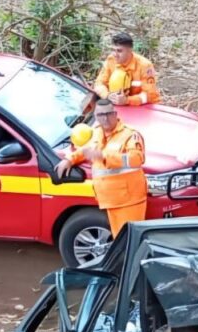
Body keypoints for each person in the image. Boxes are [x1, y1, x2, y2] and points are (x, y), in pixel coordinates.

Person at [56, 100, 147, 236]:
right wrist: (70, 159)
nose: (105, 118)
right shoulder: (97, 132)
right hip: (109, 199)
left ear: (115, 114)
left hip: (128, 201)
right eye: (101, 115)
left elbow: (136, 159)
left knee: (129, 241)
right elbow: (87, 150)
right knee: (120, 241)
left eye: (109, 114)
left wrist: (104, 156)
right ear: (96, 116)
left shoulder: (129, 135)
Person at [93, 32, 161, 106]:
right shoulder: (111, 60)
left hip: (143, 107)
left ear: (130, 50)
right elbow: (99, 83)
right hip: (116, 105)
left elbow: (150, 95)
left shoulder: (145, 65)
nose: (115, 54)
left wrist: (127, 100)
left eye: (119, 51)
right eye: (113, 50)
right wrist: (107, 96)